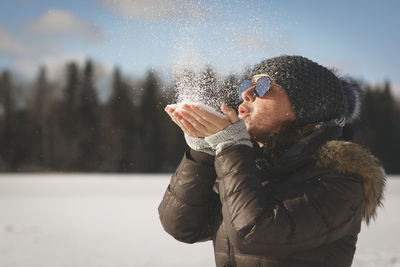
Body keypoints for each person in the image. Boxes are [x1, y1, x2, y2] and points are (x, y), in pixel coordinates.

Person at [158, 55, 386, 267]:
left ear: (306, 105)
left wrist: (231, 148)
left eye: (263, 86)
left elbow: (253, 232)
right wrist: (203, 152)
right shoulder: (248, 166)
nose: (246, 94)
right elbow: (183, 227)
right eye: (245, 86)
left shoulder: (341, 181)